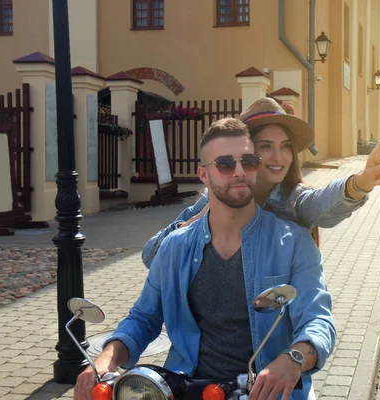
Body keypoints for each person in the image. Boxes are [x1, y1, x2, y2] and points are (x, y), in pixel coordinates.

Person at [74, 118, 335, 400]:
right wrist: (108, 357)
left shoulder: (294, 243)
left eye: (247, 162)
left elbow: (318, 320)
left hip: (267, 392)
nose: (239, 172)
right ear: (203, 174)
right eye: (225, 164)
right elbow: (144, 317)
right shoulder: (175, 246)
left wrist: (293, 359)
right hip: (187, 386)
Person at [142, 97, 380, 268]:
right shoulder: (216, 196)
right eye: (266, 146)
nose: (279, 158)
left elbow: (321, 205)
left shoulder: (293, 199)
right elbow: (152, 257)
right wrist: (200, 220)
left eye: (286, 147)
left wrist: (362, 182)